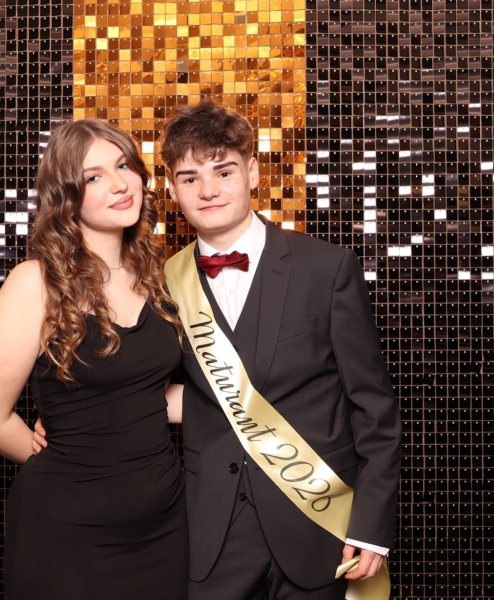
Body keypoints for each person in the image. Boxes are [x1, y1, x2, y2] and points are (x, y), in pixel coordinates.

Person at [36, 100, 401, 600]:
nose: (208, 191)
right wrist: (79, 411)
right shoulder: (156, 285)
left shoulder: (327, 268)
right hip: (206, 532)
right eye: (190, 178)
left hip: (319, 522)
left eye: (223, 171)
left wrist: (371, 526)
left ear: (253, 171)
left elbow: (374, 408)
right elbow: (142, 386)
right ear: (170, 189)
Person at [0, 118, 189, 599]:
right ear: (67, 196)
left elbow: (144, 395)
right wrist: (61, 455)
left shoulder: (156, 276)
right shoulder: (36, 282)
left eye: (123, 166)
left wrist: (253, 402)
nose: (120, 184)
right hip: (68, 529)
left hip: (163, 525)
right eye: (93, 176)